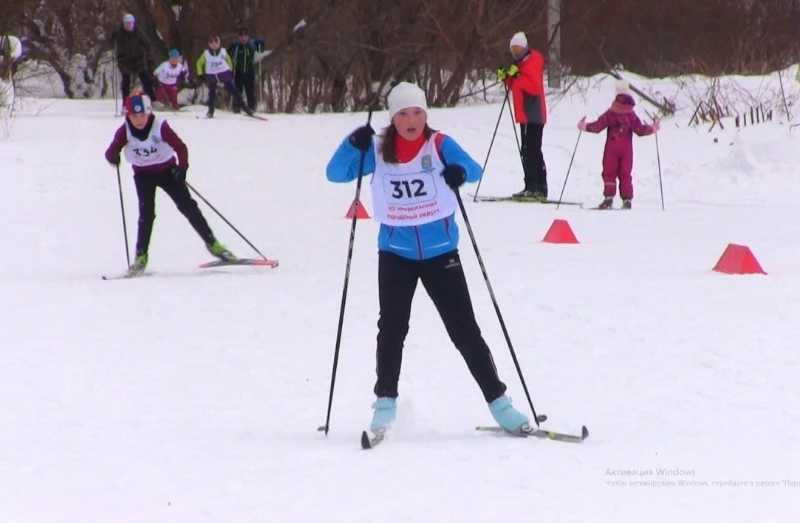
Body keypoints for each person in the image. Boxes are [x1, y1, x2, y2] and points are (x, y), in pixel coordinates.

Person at [325, 82, 530, 435]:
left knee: (465, 331)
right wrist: (351, 145)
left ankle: (501, 405)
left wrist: (459, 173)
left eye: (417, 112)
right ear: (392, 118)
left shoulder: (439, 145)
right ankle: (384, 406)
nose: (411, 120)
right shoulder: (377, 150)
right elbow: (336, 173)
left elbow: (473, 169)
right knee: (391, 330)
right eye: (403, 113)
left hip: (441, 254)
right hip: (395, 254)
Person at [104, 92, 237, 274]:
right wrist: (113, 156)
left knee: (188, 207)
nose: (139, 120)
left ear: (149, 112)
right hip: (143, 176)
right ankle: (141, 257)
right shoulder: (124, 131)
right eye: (134, 116)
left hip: (167, 172)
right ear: (128, 115)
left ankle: (213, 244)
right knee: (146, 215)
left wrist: (182, 169)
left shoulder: (160, 127)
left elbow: (180, 147)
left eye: (142, 115)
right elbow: (111, 151)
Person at [577, 80, 660, 209]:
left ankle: (609, 198)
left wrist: (584, 126)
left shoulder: (611, 113)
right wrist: (652, 128)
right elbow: (639, 129)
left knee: (609, 172)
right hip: (626, 149)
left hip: (612, 147)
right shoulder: (631, 115)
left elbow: (598, 126)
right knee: (625, 173)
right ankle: (627, 200)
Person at [497, 31, 548, 199]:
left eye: (518, 49)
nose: (515, 53)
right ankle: (538, 187)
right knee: (531, 150)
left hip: (531, 114)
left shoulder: (530, 62)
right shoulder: (522, 63)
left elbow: (533, 87)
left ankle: (533, 187)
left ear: (525, 47)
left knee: (529, 150)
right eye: (513, 50)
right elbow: (518, 87)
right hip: (527, 114)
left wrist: (517, 75)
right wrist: (507, 78)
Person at [195, 35, 253, 118]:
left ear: (218, 43)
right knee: (211, 94)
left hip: (224, 73)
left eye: (216, 43)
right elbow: (199, 63)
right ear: (209, 44)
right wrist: (200, 74)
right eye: (211, 43)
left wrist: (231, 70)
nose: (214, 45)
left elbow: (229, 60)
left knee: (234, 91)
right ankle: (210, 111)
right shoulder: (206, 54)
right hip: (212, 75)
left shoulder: (222, 52)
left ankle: (246, 109)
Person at [110, 13, 156, 102]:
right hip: (124, 60)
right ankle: (125, 102)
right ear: (123, 24)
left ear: (133, 24)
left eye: (130, 23)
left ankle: (152, 99)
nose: (128, 26)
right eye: (126, 23)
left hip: (138, 59)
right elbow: (110, 44)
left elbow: (148, 44)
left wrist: (150, 54)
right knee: (126, 81)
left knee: (145, 78)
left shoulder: (138, 32)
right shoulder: (120, 33)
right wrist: (112, 38)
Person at [227, 27, 259, 113]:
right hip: (238, 72)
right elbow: (229, 55)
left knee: (250, 91)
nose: (243, 38)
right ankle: (237, 107)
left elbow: (258, 54)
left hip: (249, 72)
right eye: (241, 36)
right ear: (239, 37)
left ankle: (251, 107)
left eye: (245, 36)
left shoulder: (251, 46)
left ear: (248, 37)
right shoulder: (236, 46)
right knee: (238, 91)